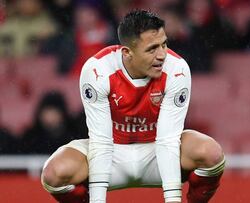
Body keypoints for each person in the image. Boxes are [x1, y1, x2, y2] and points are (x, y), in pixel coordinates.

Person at [41, 10, 225, 203]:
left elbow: (168, 140)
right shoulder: (98, 70)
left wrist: (173, 200)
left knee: (211, 153)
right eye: (152, 49)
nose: (162, 55)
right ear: (127, 52)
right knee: (54, 173)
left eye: (164, 44)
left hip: (158, 152)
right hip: (110, 154)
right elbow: (101, 142)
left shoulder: (177, 69)